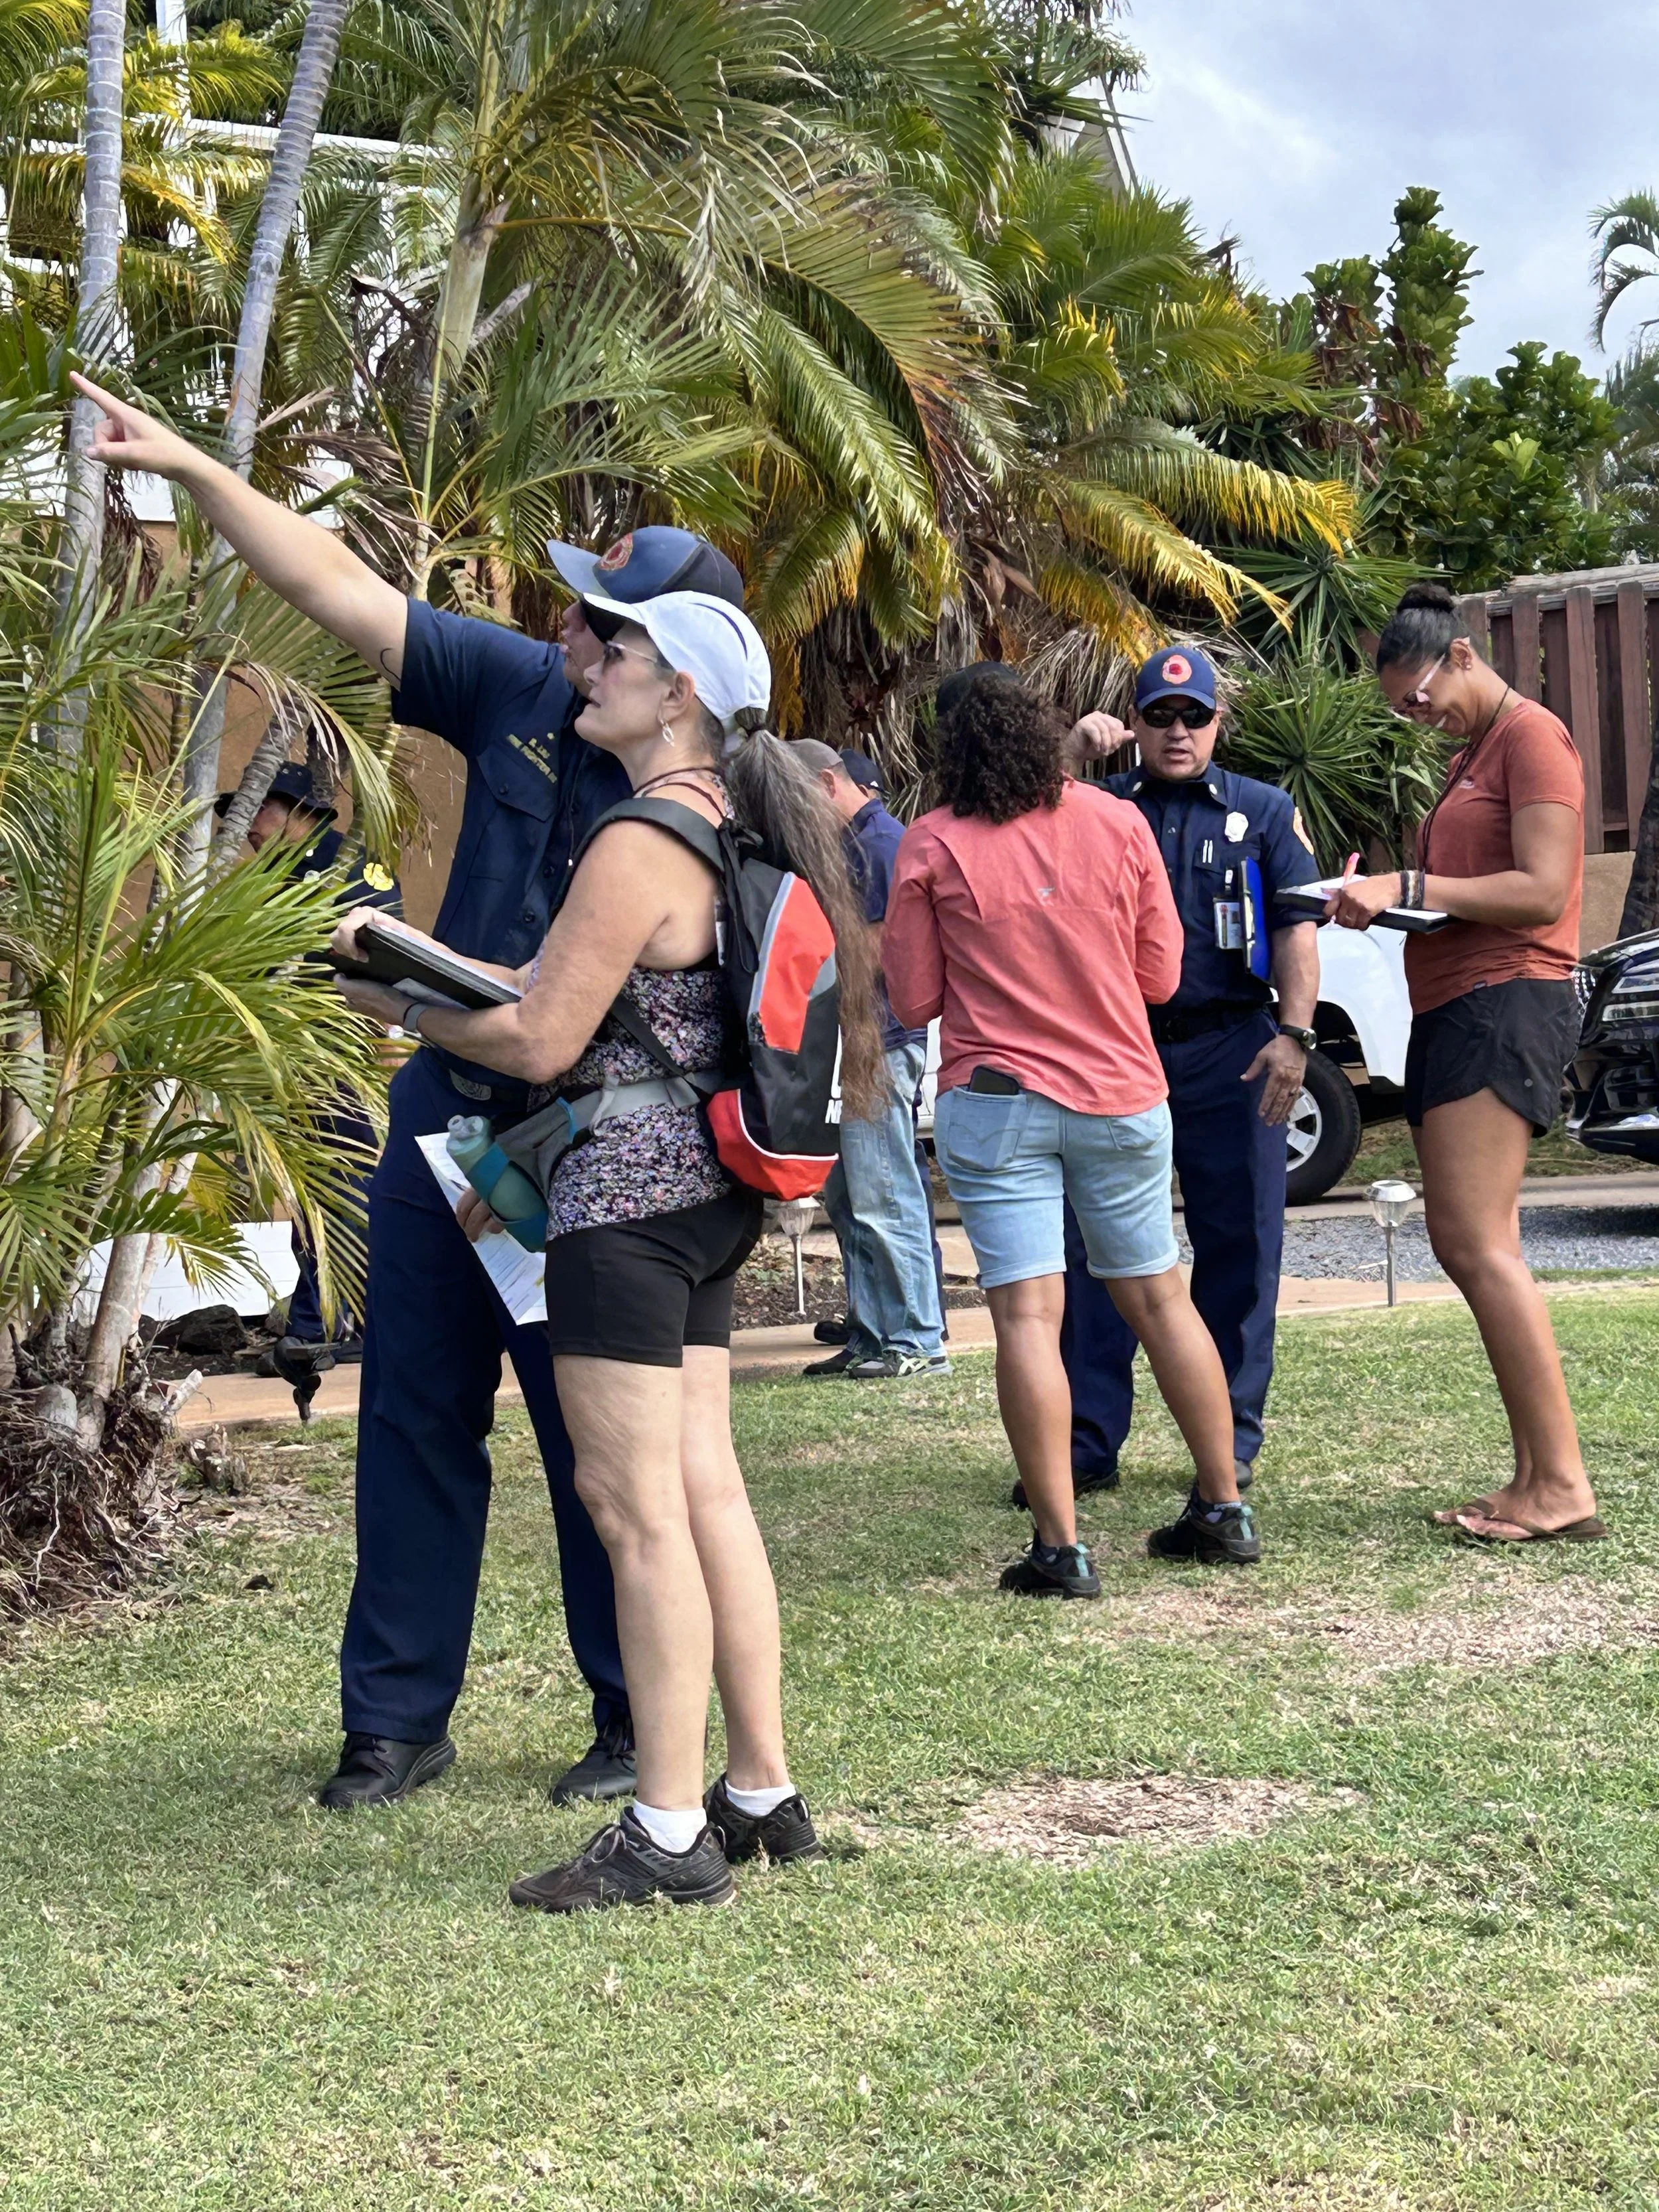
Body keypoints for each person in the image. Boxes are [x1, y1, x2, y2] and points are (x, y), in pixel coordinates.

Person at [73, 371, 751, 1810]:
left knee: (602, 1438)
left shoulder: (701, 794)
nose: (566, 636)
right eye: (573, 616)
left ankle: (638, 1715)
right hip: (451, 1125)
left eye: (597, 621)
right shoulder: (513, 685)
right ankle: (394, 1721)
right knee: (412, 1413)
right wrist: (200, 472)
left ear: (669, 665)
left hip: (601, 1153)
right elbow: (335, 585)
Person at [334, 593, 885, 1909]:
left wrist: (395, 994)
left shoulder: (638, 836)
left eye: (620, 648)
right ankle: (757, 1789)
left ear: (679, 689)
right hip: (702, 1196)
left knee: (635, 1514)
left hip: (619, 1209)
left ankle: (667, 1826)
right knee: (706, 1499)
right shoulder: (733, 820)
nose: (589, 662)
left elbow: (534, 1036)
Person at [883, 666, 1262, 1590]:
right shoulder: (1120, 821)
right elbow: (1163, 977)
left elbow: (915, 995)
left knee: (1026, 1315)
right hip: (1123, 1094)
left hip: (999, 1098)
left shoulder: (931, 843)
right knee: (1163, 1299)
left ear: (953, 746)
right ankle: (1222, 1505)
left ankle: (1060, 1549)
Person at [1329, 581, 1605, 1544]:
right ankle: (1537, 1474)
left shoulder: (1533, 737)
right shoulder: (1474, 754)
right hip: (1460, 1001)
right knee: (1465, 1242)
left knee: (1482, 1245)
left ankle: (1562, 1484)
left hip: (1508, 996)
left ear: (1459, 656)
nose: (1417, 716)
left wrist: (1409, 883)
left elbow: (1542, 891)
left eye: (1419, 697)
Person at [1056, 645, 1321, 1503]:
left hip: (1233, 1049)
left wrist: (1296, 1034)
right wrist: (1066, 755)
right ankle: (1088, 1441)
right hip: (1120, 1046)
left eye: (1194, 716)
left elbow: (1296, 927)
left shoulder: (1264, 811)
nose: (1177, 732)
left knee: (1241, 1243)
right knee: (1098, 1251)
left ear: (1218, 723)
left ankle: (1230, 1439)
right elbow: (1009, 826)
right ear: (1132, 722)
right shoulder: (1092, 805)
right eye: (1159, 716)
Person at [217, 761, 403, 1361]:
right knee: (316, 1190)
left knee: (343, 1182)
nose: (244, 825)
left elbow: (380, 951)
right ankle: (349, 1317)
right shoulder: (264, 879)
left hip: (335, 1051)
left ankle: (321, 1322)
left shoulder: (350, 865)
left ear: (298, 810)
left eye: (257, 810)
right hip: (284, 1060)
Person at [788, 739, 948, 1382]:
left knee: (884, 1194)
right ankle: (873, 1332)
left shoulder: (881, 844)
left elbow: (882, 949)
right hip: (850, 1045)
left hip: (876, 1044)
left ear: (828, 784)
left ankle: (914, 1339)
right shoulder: (850, 845)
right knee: (854, 1198)